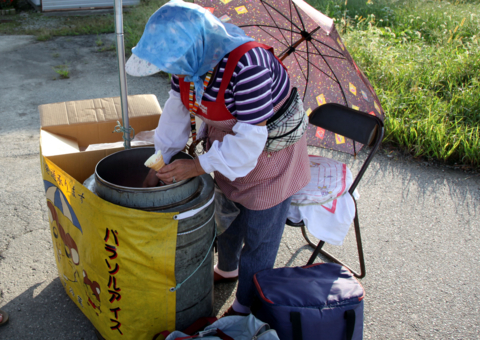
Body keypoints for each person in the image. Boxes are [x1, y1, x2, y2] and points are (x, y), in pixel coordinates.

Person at [126, 0, 310, 316]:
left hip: (269, 156)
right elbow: (176, 109)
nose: (172, 69)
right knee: (227, 217)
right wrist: (162, 158)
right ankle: (227, 270)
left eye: (174, 61)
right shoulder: (186, 63)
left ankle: (245, 307)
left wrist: (197, 165)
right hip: (225, 149)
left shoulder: (248, 66)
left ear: (197, 45)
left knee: (259, 236)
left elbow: (251, 141)